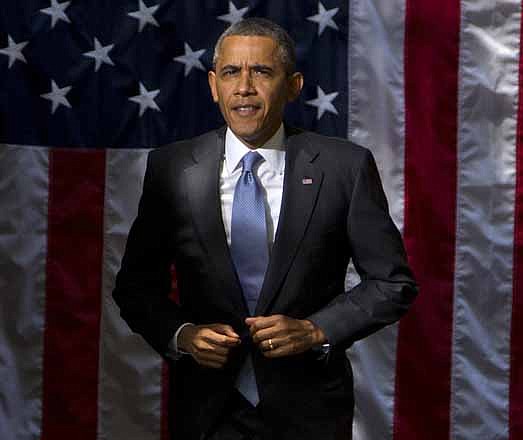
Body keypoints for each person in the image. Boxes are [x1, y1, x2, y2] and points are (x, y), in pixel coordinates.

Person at [113, 17, 417, 440]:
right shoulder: (173, 168)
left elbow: (391, 281)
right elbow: (135, 287)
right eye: (231, 72)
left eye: (262, 71)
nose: (245, 87)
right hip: (206, 412)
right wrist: (183, 335)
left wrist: (316, 330)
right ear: (213, 85)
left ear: (293, 85)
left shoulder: (343, 168)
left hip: (309, 411)